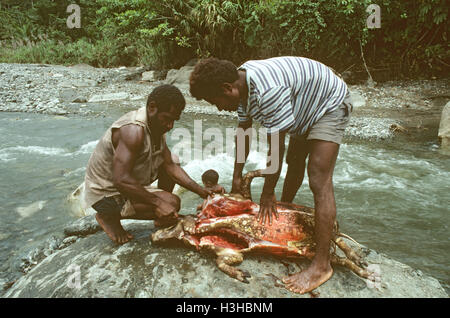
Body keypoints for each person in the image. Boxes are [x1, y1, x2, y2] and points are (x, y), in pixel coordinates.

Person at [189, 56, 353, 294]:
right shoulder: (242, 82)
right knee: (294, 162)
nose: (218, 107)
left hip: (327, 104)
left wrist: (267, 193)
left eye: (215, 101)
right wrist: (236, 175)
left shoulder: (269, 91)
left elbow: (275, 149)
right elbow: (243, 132)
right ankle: (285, 209)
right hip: (301, 106)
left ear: (227, 88)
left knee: (318, 176)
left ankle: (321, 265)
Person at [84, 84, 216, 245]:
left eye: (173, 120)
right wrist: (159, 203)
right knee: (172, 202)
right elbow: (121, 179)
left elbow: (170, 165)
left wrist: (202, 192)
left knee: (173, 159)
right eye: (167, 119)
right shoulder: (133, 131)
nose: (170, 126)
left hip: (126, 183)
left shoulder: (155, 126)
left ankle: (161, 215)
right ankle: (108, 216)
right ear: (152, 107)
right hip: (106, 193)